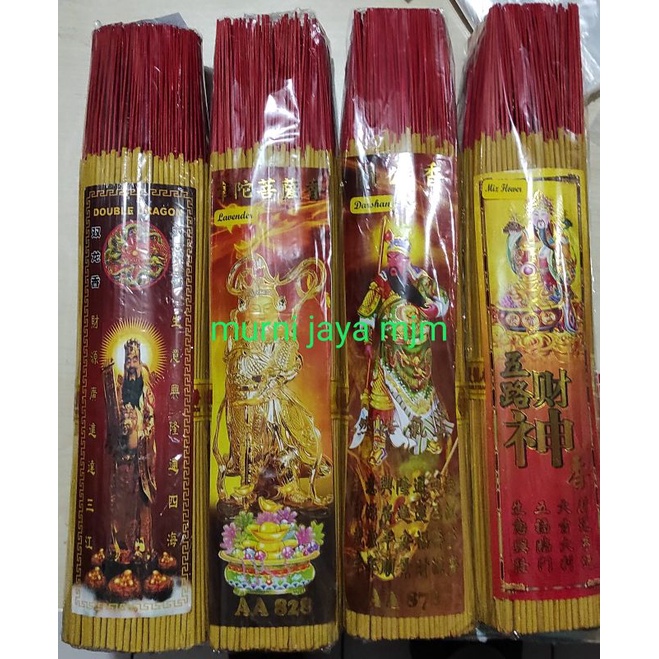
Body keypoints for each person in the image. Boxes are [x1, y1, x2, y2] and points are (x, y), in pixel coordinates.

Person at [213, 254, 332, 506]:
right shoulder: (239, 338)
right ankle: (248, 481)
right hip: (243, 402)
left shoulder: (281, 338)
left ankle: (289, 485)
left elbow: (289, 367)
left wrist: (271, 382)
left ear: (276, 308)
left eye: (265, 307)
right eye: (254, 307)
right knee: (245, 440)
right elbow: (233, 367)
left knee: (281, 435)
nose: (259, 312)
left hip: (271, 400)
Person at [350, 230, 454, 466]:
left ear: (407, 258)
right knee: (380, 395)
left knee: (424, 397)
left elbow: (443, 299)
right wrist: (367, 341)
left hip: (419, 352)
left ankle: (429, 437)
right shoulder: (381, 281)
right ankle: (379, 445)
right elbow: (366, 315)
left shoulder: (421, 279)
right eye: (389, 256)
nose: (392, 260)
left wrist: (435, 309)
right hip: (390, 352)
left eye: (396, 256)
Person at [108, 338, 157, 557]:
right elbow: (112, 425)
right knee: (121, 504)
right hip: (123, 461)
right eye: (128, 360)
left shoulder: (146, 392)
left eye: (135, 359)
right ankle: (120, 549)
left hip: (141, 461)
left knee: (140, 505)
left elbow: (151, 421)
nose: (131, 364)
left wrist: (140, 434)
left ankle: (142, 548)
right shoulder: (119, 391)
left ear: (141, 362)